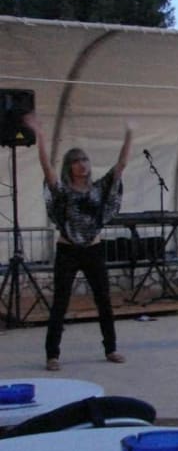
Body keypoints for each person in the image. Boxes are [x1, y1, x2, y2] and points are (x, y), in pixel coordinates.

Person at [22, 113, 133, 372]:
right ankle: (52, 355)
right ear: (69, 167)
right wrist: (40, 136)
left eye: (84, 160)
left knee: (103, 300)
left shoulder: (98, 189)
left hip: (93, 249)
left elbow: (121, 165)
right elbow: (47, 168)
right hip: (68, 250)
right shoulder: (63, 191)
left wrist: (130, 134)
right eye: (76, 161)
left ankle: (111, 348)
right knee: (60, 303)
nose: (82, 165)